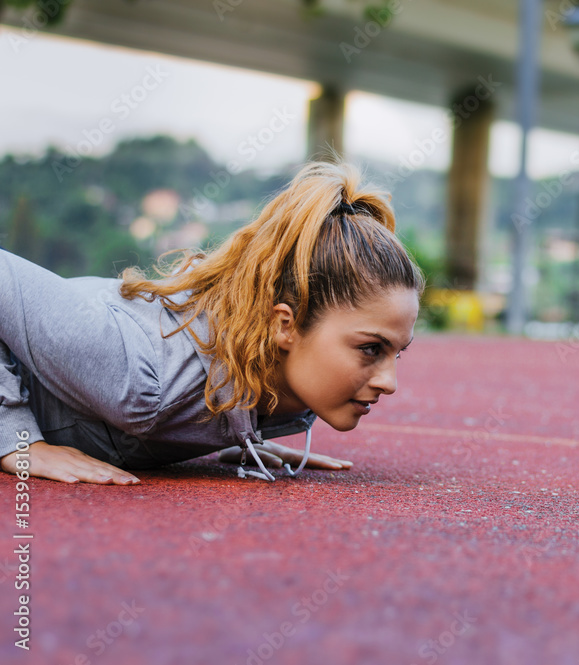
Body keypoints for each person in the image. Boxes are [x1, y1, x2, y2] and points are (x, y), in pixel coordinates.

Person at [0, 160, 423, 485]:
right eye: (370, 349)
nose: (390, 382)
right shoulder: (140, 377)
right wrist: (18, 440)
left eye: (396, 353)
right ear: (285, 326)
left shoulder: (287, 392)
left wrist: (242, 434)